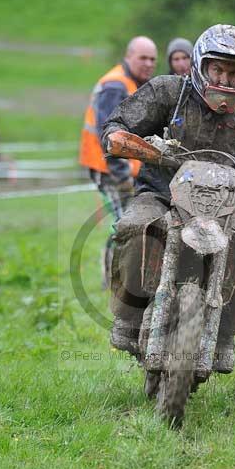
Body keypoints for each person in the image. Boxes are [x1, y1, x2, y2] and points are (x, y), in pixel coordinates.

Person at [102, 24, 235, 374]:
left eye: (234, 72)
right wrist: (119, 136)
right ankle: (129, 316)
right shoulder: (168, 91)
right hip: (161, 192)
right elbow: (119, 120)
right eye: (218, 69)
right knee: (134, 227)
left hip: (223, 206)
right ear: (201, 65)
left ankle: (223, 333)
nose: (224, 78)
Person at [79, 36, 157, 285]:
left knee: (127, 221)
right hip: (109, 168)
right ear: (128, 56)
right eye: (142, 58)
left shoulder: (134, 83)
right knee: (128, 223)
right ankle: (114, 278)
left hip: (121, 168)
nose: (148, 64)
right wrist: (121, 175)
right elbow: (109, 137)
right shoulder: (116, 85)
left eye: (152, 59)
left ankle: (118, 277)